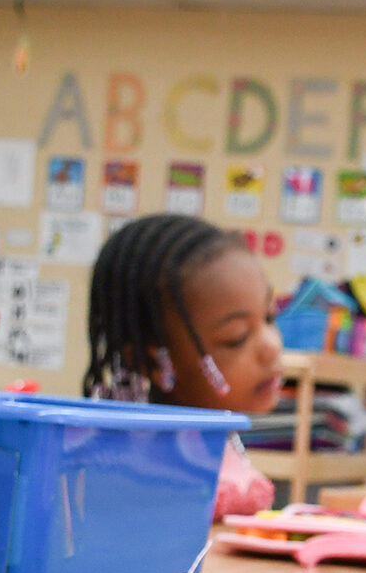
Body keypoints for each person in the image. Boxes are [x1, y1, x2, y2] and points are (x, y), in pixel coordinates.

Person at [83, 213, 284, 515]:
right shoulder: (150, 476)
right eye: (237, 337)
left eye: (269, 317)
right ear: (153, 362)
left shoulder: (216, 448)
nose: (272, 345)